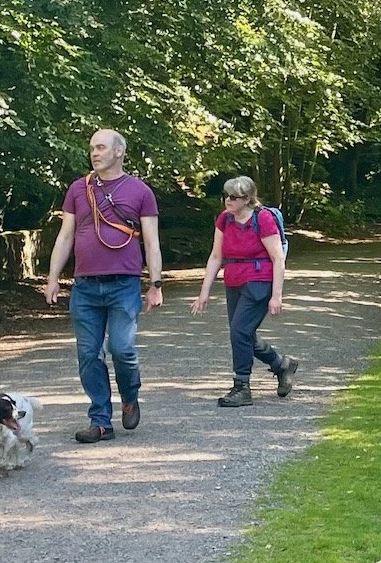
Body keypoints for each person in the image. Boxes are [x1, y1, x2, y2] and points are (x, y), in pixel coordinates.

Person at [44, 128, 163, 442]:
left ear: (119, 151)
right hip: (84, 287)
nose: (94, 153)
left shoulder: (140, 191)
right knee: (89, 355)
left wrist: (156, 283)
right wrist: (53, 277)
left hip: (124, 285)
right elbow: (66, 235)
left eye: (100, 147)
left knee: (122, 349)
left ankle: (129, 396)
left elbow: (151, 242)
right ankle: (100, 421)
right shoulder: (77, 189)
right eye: (92, 149)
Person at [190, 175, 298, 408]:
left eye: (233, 197)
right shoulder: (224, 220)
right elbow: (216, 256)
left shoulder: (264, 219)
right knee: (242, 333)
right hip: (234, 281)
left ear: (247, 199)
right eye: (226, 196)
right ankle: (281, 364)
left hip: (259, 281)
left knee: (239, 331)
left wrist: (277, 295)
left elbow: (278, 258)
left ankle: (242, 387)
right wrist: (204, 292)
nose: (227, 200)